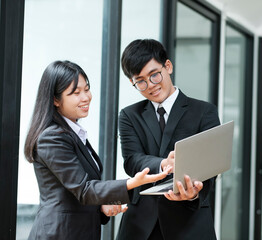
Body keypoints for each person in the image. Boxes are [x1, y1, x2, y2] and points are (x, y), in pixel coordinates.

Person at [24, 60, 171, 240]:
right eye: (76, 93)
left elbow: (75, 195)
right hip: (58, 234)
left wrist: (101, 207)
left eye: (86, 89)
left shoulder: (72, 132)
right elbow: (84, 189)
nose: (86, 97)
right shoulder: (52, 138)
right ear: (55, 99)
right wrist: (131, 182)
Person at [116, 39, 220, 240]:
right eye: (141, 81)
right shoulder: (129, 115)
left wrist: (195, 192)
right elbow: (132, 160)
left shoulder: (204, 112)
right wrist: (164, 164)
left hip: (189, 221)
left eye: (155, 75)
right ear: (132, 83)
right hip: (142, 226)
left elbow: (211, 165)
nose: (150, 86)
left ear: (168, 67)